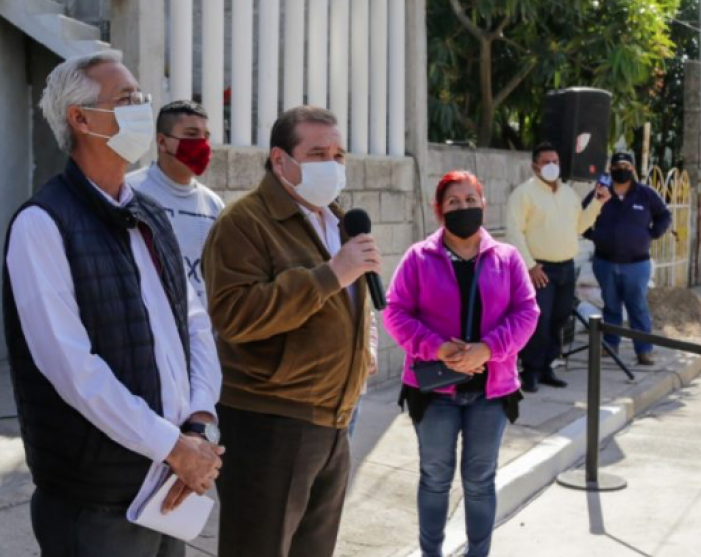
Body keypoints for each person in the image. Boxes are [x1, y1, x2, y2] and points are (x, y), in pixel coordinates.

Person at [3, 50, 223, 557]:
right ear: (80, 119)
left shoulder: (149, 214)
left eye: (142, 97)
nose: (142, 108)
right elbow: (73, 368)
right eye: (126, 99)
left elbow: (193, 323)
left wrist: (199, 422)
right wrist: (174, 446)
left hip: (170, 479)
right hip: (98, 497)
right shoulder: (43, 223)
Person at [202, 105, 378, 557]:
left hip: (334, 419)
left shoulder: (336, 219)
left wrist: (365, 343)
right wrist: (329, 275)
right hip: (272, 422)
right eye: (318, 153)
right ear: (280, 160)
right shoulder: (244, 222)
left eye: (339, 154)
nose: (333, 165)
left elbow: (351, 299)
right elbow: (235, 315)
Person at [383, 170, 539, 557]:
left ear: (483, 205)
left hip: (491, 390)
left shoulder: (507, 258)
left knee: (480, 480)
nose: (464, 208)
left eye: (471, 200)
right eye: (454, 202)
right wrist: (437, 348)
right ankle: (431, 553)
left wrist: (487, 349)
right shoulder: (419, 257)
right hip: (435, 389)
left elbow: (527, 312)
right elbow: (395, 312)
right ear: (439, 210)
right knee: (435, 478)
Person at [505, 142, 608, 392]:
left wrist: (597, 203)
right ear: (535, 166)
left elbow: (579, 227)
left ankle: (547, 367)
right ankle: (530, 370)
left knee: (559, 320)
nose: (552, 166)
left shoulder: (568, 194)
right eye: (547, 162)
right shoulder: (524, 194)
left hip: (566, 268)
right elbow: (514, 232)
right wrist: (529, 266)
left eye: (556, 162)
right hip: (540, 269)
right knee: (538, 322)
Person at [127, 100, 225, 308]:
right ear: (162, 142)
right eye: (191, 135)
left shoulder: (213, 205)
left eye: (205, 136)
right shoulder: (129, 192)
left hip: (201, 331)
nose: (202, 143)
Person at [583, 152, 672, 365]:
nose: (621, 169)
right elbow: (582, 215)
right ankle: (610, 345)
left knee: (637, 306)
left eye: (626, 165)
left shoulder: (645, 194)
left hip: (637, 264)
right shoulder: (600, 193)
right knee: (611, 305)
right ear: (611, 169)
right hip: (605, 261)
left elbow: (665, 215)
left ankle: (644, 350)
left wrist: (653, 234)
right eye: (617, 166)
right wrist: (594, 236)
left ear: (632, 169)